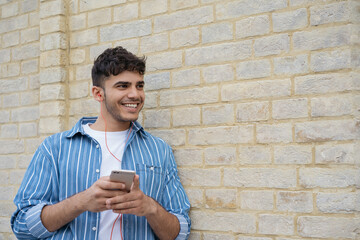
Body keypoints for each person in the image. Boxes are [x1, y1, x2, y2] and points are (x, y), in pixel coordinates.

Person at [11, 46, 191, 240]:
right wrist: (80, 202)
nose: (135, 95)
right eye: (123, 86)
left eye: (139, 85)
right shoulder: (54, 148)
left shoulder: (159, 150)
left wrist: (150, 207)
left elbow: (179, 233)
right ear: (98, 94)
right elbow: (22, 226)